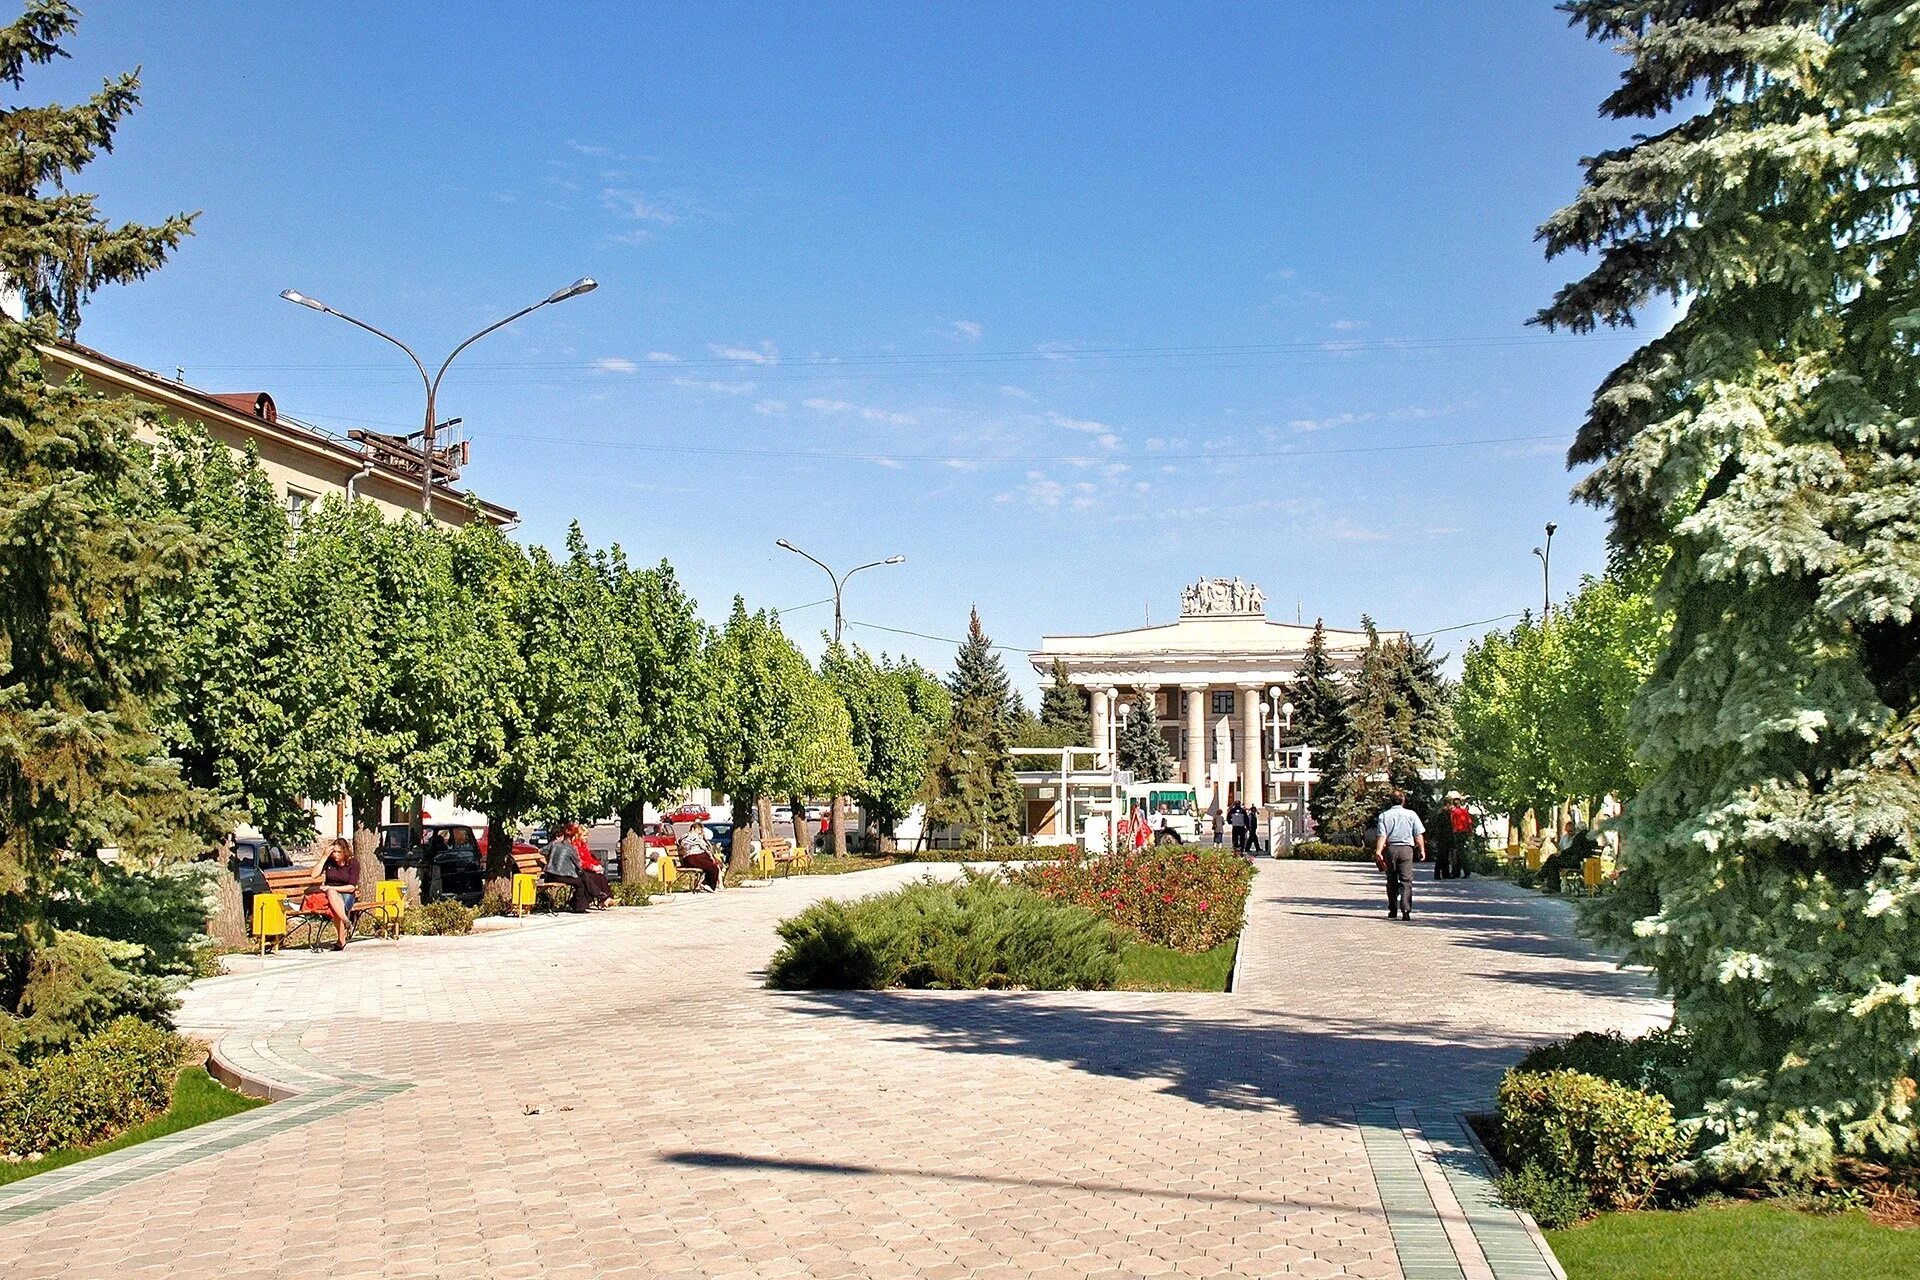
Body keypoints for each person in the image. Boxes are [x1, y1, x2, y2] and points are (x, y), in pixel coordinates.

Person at [1373, 790, 1427, 920]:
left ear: (1390, 801)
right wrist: (1422, 849)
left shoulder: (1384, 816)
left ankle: (1392, 909)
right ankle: (1406, 910)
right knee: (1406, 881)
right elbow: (1418, 835)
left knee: (1391, 880)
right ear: (1403, 801)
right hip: (1406, 850)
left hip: (1391, 850)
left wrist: (1378, 851)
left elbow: (1382, 835)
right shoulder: (1411, 815)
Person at [315, 837, 359, 951]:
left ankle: (341, 940)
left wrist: (332, 887)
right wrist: (324, 857)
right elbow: (313, 875)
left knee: (333, 897)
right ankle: (345, 922)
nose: (336, 855)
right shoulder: (329, 861)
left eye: (339, 852)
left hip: (347, 894)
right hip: (331, 895)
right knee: (332, 898)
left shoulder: (353, 863)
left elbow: (351, 887)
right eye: (334, 852)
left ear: (345, 852)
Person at [542, 828, 592, 913]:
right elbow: (578, 864)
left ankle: (577, 903)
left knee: (583, 880)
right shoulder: (570, 847)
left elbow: (541, 850)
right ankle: (578, 907)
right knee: (580, 883)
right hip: (561, 875)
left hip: (550, 874)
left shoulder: (554, 844)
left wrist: (547, 859)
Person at [570, 824, 613, 909]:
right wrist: (592, 867)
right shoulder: (574, 847)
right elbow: (579, 862)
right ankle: (604, 899)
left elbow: (589, 858)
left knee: (601, 877)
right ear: (577, 836)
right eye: (584, 835)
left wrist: (597, 865)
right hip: (577, 870)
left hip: (584, 870)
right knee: (592, 879)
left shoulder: (584, 846)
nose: (586, 837)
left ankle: (605, 899)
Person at [676, 822, 724, 891]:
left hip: (697, 856)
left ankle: (708, 884)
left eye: (701, 830)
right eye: (698, 829)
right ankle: (708, 885)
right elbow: (685, 843)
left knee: (713, 865)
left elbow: (706, 847)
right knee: (713, 867)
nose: (700, 831)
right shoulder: (689, 836)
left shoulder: (697, 837)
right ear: (693, 829)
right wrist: (699, 842)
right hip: (692, 857)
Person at [1440, 794, 1473, 879]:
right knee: (1459, 852)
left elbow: (1452, 822)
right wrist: (1470, 831)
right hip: (1464, 832)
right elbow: (1469, 821)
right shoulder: (1465, 810)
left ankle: (1466, 871)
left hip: (1457, 833)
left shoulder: (1453, 812)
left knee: (1460, 852)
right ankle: (1456, 872)